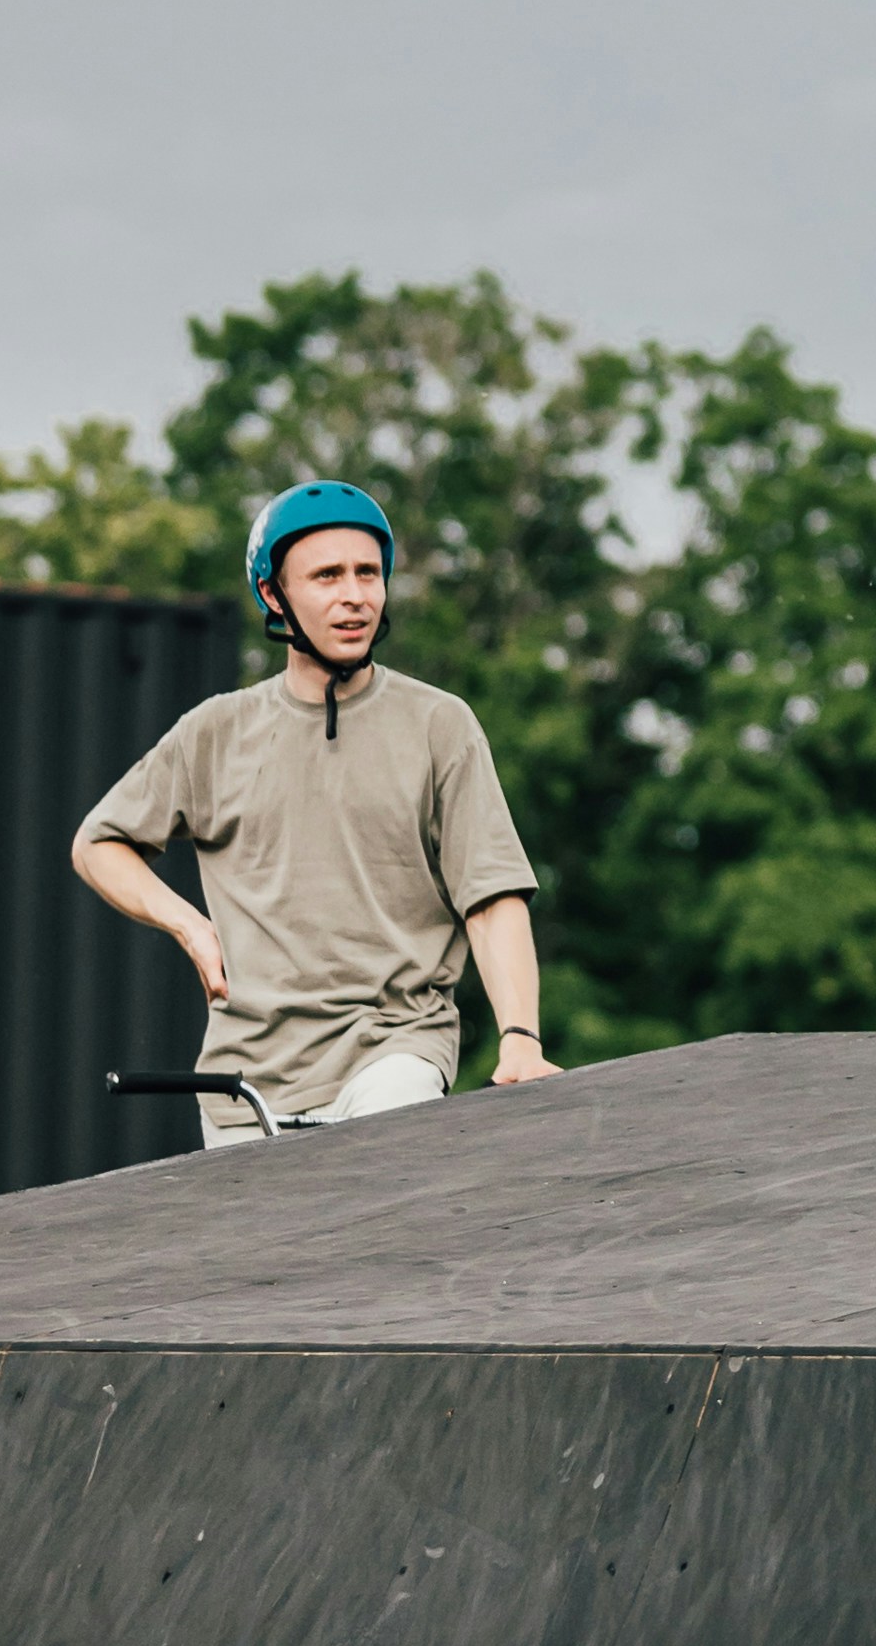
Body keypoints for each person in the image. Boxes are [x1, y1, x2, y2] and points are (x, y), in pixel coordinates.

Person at [70, 479, 559, 1146]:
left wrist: (520, 1040)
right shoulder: (215, 731)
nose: (354, 595)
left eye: (368, 573)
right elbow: (99, 843)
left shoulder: (438, 723)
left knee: (377, 1193)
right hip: (245, 1082)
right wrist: (190, 926)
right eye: (327, 576)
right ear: (274, 594)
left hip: (392, 1048)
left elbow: (491, 896)